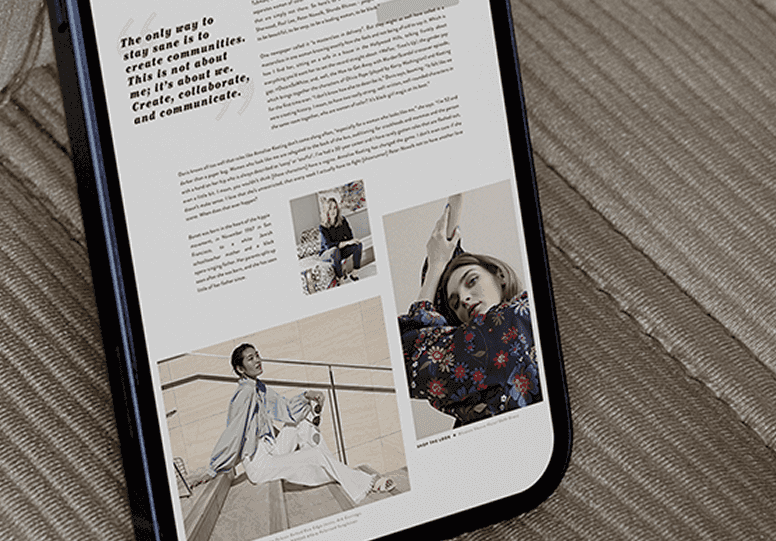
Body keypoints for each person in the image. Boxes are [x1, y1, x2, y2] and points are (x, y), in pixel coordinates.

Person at [399, 209, 543, 425]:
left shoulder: (519, 318)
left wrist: (436, 267)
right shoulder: (473, 361)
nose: (465, 299)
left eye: (472, 281)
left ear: (500, 275)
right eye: (455, 303)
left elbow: (407, 358)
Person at [207, 344, 396, 502]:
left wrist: (307, 395)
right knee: (313, 455)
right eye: (250, 358)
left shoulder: (259, 388)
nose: (257, 360)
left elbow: (286, 409)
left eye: (257, 355)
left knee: (303, 425)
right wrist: (213, 468)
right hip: (260, 464)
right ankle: (365, 483)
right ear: (240, 369)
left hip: (271, 449)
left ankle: (335, 469)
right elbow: (233, 432)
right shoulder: (245, 393)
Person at [316, 194, 364, 283]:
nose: (333, 211)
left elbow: (350, 238)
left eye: (334, 207)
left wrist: (350, 242)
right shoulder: (322, 227)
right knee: (335, 250)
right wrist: (346, 243)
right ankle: (340, 279)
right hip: (327, 254)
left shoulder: (342, 221)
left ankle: (354, 274)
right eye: (330, 208)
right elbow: (329, 246)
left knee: (358, 244)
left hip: (339, 250)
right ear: (326, 211)